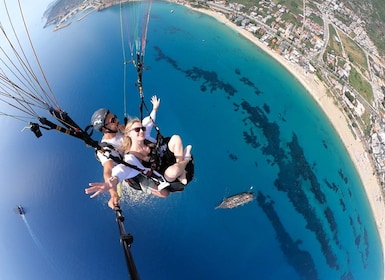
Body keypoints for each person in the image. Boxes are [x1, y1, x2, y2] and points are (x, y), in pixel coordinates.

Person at [86, 96, 160, 208]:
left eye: (115, 117)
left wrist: (154, 110)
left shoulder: (120, 128)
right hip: (131, 167)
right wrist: (113, 193)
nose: (117, 120)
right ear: (105, 128)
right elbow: (108, 171)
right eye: (113, 121)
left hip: (142, 155)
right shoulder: (106, 148)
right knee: (164, 193)